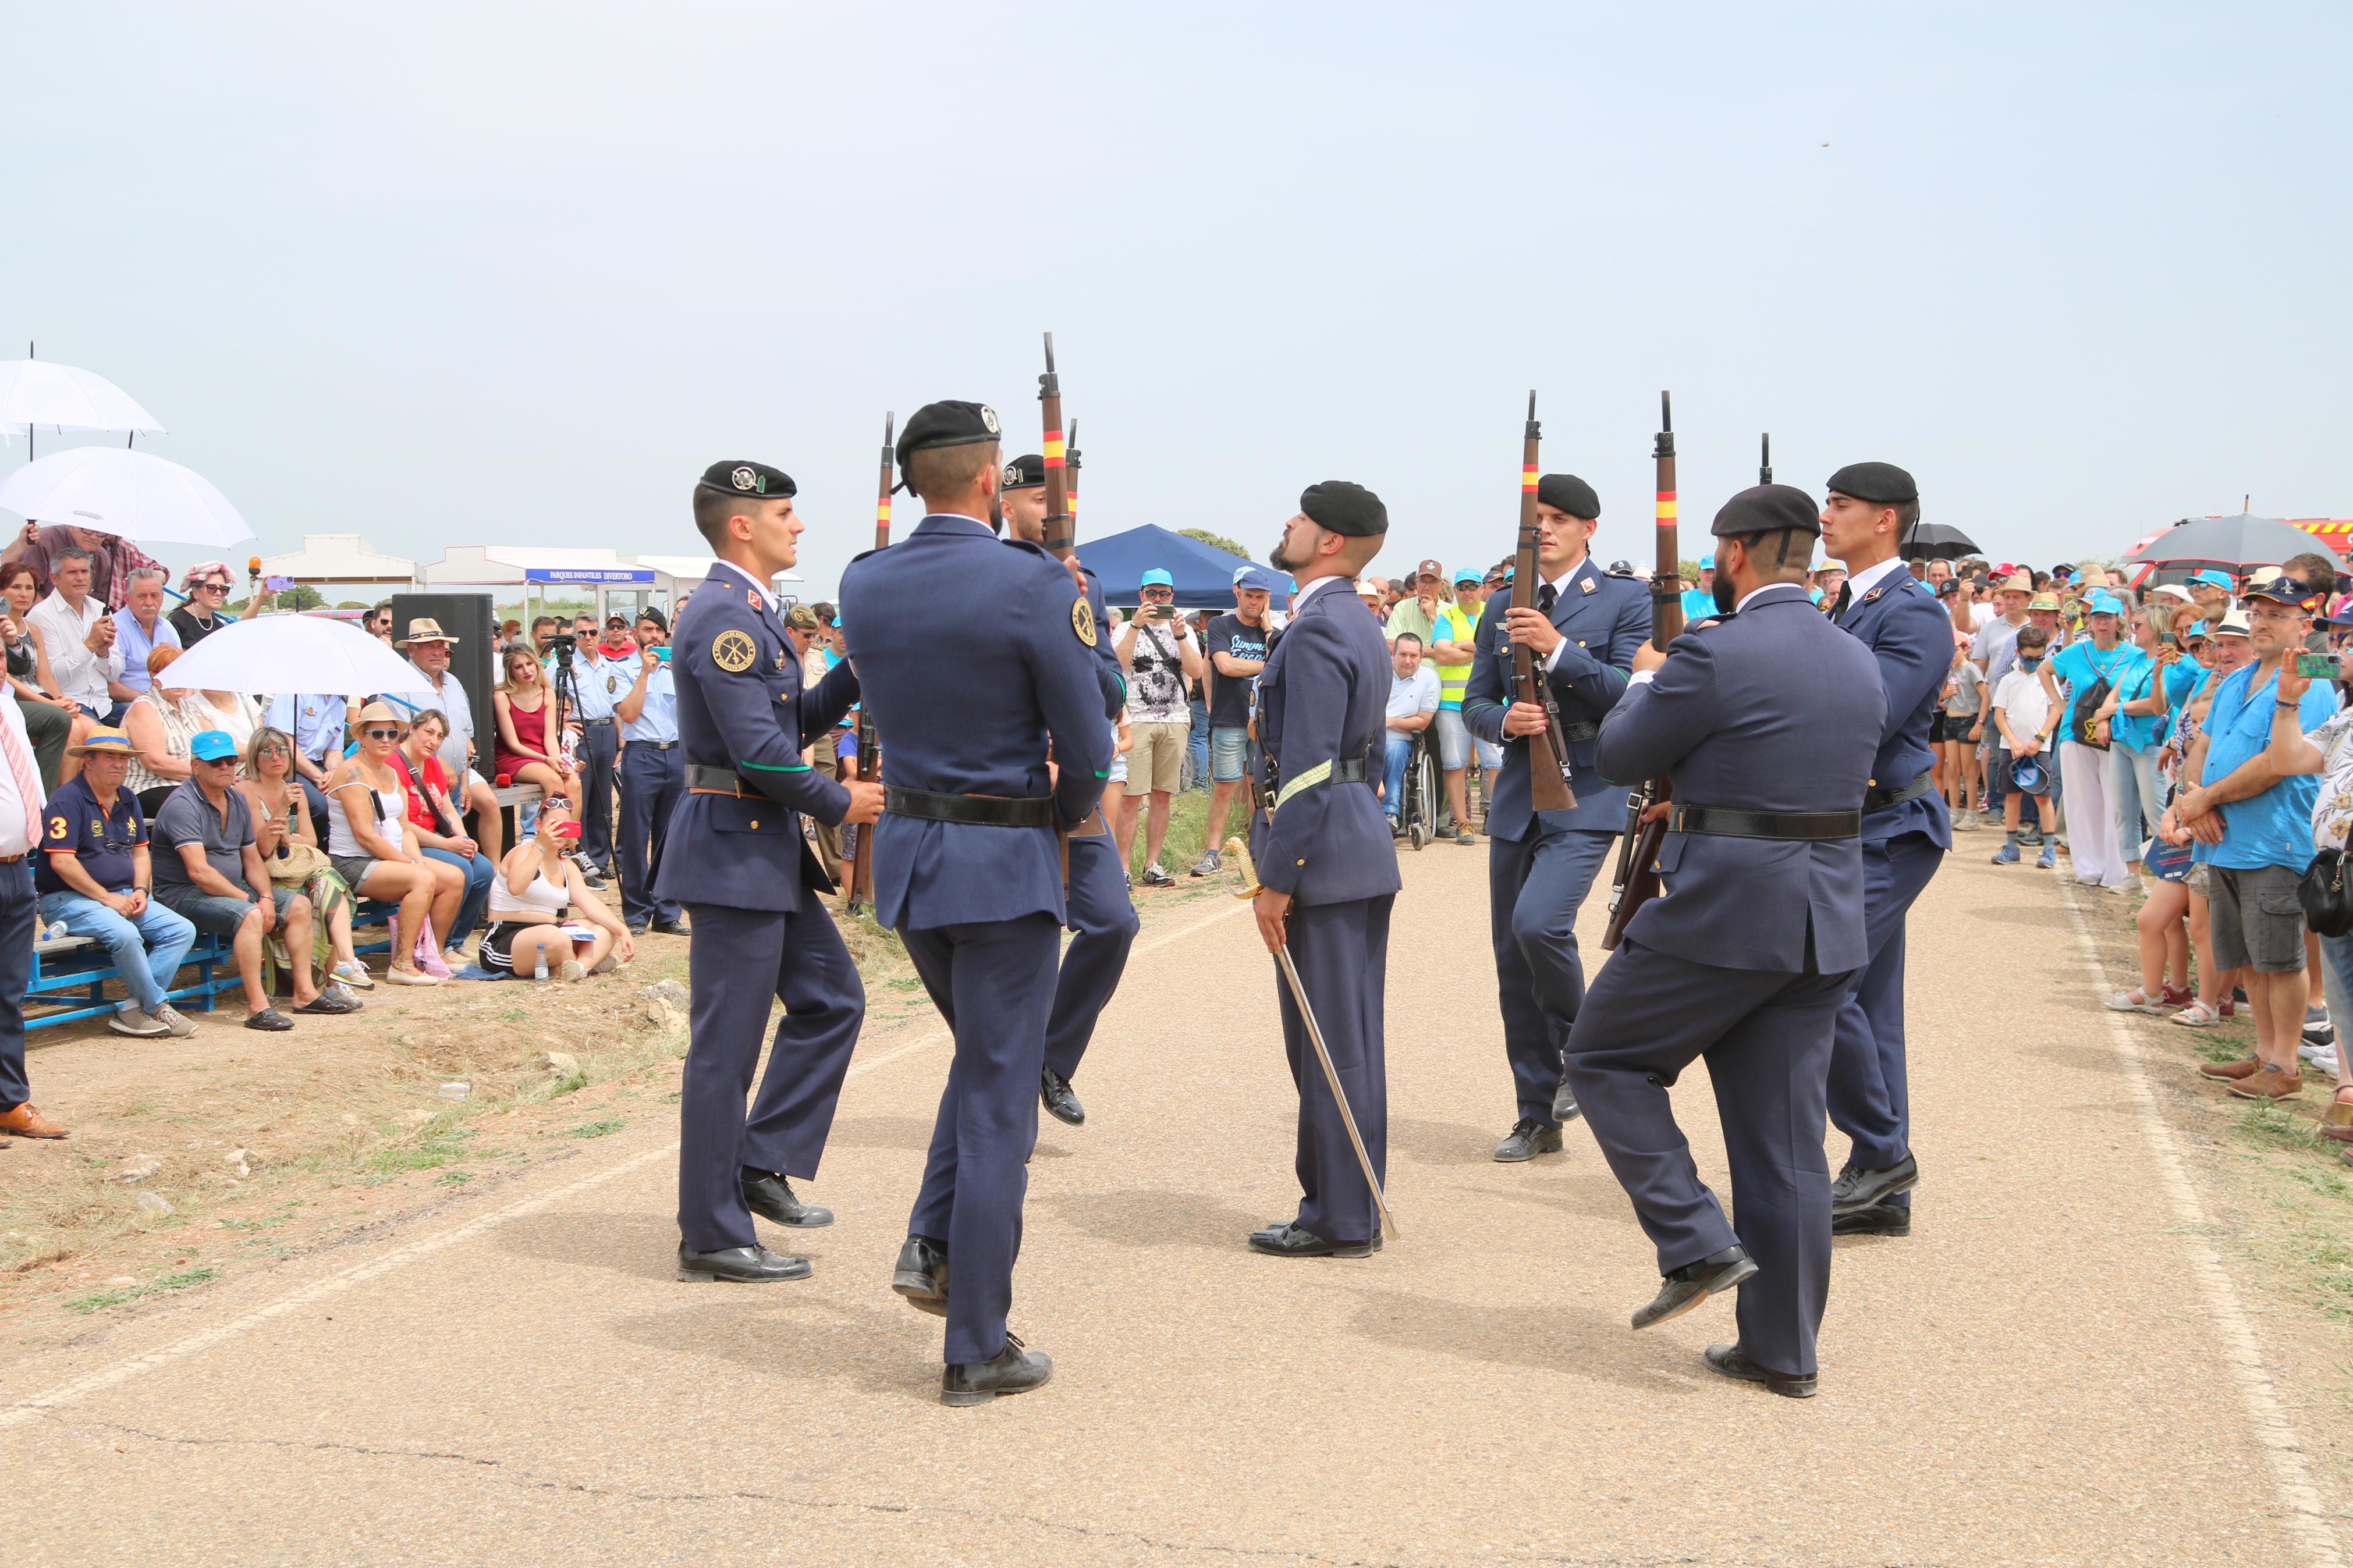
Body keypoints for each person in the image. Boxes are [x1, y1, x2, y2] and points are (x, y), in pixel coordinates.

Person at [1564, 483, 1885, 1399]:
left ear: (1735, 554)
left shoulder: (1710, 652)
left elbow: (1622, 754)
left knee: (1603, 1055)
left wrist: (1642, 673)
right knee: (1784, 1143)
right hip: (1823, 912)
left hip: (1726, 909)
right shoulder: (1851, 656)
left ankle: (1694, 1241)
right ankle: (1783, 1349)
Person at [840, 403, 1108, 1405]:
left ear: (913, 482)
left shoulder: (865, 583)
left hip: (912, 861)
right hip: (1004, 861)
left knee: (982, 1064)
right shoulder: (1029, 583)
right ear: (992, 478)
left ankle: (934, 1244)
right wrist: (1069, 814)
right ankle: (975, 1343)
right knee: (1001, 1100)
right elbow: (1084, 742)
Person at [665, 458, 879, 1288]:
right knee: (724, 1050)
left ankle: (760, 1160)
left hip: (763, 851)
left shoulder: (754, 612)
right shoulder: (722, 614)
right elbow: (758, 752)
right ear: (741, 524)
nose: (798, 525)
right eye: (785, 512)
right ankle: (711, 1230)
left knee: (833, 1001)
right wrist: (839, 800)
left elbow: (790, 719)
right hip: (731, 848)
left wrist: (858, 666)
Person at [1460, 472, 1648, 1160]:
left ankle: (1583, 1047)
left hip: (1589, 792)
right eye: (1535, 517)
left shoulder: (1625, 599)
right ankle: (1535, 1114)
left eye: (1559, 518)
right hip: (1518, 797)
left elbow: (1633, 692)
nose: (1544, 527)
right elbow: (1472, 702)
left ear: (1588, 529)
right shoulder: (1500, 604)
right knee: (1514, 960)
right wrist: (1503, 720)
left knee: (1539, 924)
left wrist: (1557, 649)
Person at [1245, 480, 1401, 1258]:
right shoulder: (1355, 619)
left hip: (1323, 855)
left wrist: (1277, 877)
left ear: (1329, 540)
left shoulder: (1315, 630)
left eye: (1300, 518)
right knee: (1348, 1038)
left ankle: (1338, 1214)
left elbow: (1304, 769)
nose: (1288, 523)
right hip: (1354, 842)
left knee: (1326, 1042)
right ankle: (1347, 1204)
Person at [1817, 463, 1953, 1239]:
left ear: (1884, 518)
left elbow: (1865, 708)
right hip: (1849, 826)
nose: (1824, 515)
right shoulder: (1843, 605)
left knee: (1819, 977)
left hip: (1889, 828)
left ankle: (1879, 1153)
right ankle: (1882, 1188)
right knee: (1868, 1004)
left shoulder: (1912, 612)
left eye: (1840, 504)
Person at [995, 452, 1135, 1129]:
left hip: (1072, 782)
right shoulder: (987, 573)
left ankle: (1050, 1058)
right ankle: (999, 1086)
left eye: (1066, 501)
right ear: (1006, 502)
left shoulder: (1091, 584)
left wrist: (1077, 618)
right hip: (1004, 786)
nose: (1057, 511)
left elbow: (1109, 688)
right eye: (1041, 499)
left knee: (1113, 921)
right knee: (1015, 950)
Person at [2164, 575, 2338, 1100]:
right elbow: (2203, 744)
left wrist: (2205, 799)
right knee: (2245, 956)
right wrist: (2190, 798)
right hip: (2224, 837)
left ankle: (2285, 1064)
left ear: (2304, 626)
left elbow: (2276, 764)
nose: (2261, 622)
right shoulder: (2238, 678)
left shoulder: (2312, 673)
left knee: (2279, 959)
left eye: (2277, 614)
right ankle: (2265, 1053)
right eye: (2257, 612)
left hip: (2274, 839)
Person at [152, 731, 358, 1029]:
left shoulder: (234, 799)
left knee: (298, 905)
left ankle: (305, 993)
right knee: (251, 914)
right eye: (215, 762)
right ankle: (258, 1007)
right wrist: (250, 900)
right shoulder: (182, 805)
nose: (225, 766)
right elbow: (199, 872)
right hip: (184, 893)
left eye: (229, 760)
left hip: (231, 887)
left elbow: (251, 858)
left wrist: (266, 896)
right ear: (195, 766)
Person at [36, 728, 198, 1039]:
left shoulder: (127, 797)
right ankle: (157, 1005)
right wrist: (106, 899)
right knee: (124, 934)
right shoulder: (67, 801)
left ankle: (132, 1009)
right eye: (110, 757)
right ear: (88, 761)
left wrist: (140, 890)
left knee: (181, 930)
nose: (118, 765)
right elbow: (62, 862)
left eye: (123, 758)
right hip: (65, 899)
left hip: (123, 894)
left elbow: (140, 852)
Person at [2256, 647, 2353, 1155]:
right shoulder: (2345, 719)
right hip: (2338, 874)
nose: (2345, 653)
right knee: (2344, 999)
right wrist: (2287, 703)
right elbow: (2286, 759)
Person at [324, 702, 454, 986]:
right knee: (422, 879)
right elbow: (364, 835)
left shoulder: (391, 772)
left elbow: (405, 826)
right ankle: (402, 963)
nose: (386, 740)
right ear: (361, 737)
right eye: (377, 734)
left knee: (452, 878)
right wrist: (408, 864)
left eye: (392, 734)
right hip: (352, 861)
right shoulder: (352, 772)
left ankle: (430, 953)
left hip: (386, 855)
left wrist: (415, 859)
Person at [238, 725, 371, 995]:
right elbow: (262, 848)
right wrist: (282, 809)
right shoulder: (245, 792)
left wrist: (288, 836)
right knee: (326, 888)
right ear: (255, 759)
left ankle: (343, 966)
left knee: (327, 883)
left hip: (298, 869)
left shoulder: (295, 790)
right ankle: (338, 975)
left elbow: (310, 841)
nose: (277, 757)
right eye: (268, 752)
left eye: (282, 750)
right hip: (266, 873)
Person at [2047, 589, 2144, 891]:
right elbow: (2045, 670)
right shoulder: (2077, 651)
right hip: (2074, 734)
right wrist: (2059, 704)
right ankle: (2089, 867)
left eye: (2108, 618)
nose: (2102, 624)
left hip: (2115, 735)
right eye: (2097, 618)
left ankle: (2117, 870)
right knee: (2082, 801)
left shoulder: (2134, 655)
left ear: (2119, 622)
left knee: (2115, 801)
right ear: (2089, 622)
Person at [1113, 567, 1203, 887]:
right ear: (1140, 596)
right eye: (1151, 594)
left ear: (1173, 597)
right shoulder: (1124, 628)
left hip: (1175, 720)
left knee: (1163, 795)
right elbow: (1116, 665)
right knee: (1131, 796)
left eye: (1164, 594)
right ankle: (1121, 867)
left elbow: (1197, 670)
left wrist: (1180, 634)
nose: (1158, 600)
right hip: (1136, 720)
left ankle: (1152, 863)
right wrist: (1136, 625)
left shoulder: (1185, 631)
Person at [1384, 559, 1483, 842]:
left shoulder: (1450, 613)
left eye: (1432, 582)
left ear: (1441, 586)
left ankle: (1440, 819)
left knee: (1442, 757)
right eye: (1422, 581)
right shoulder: (1402, 608)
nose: (1426, 587)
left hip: (1439, 690)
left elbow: (1466, 649)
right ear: (1415, 583)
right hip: (1405, 688)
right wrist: (1434, 651)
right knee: (1397, 749)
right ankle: (1398, 814)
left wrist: (1432, 620)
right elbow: (1394, 646)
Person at [479, 798, 630, 979]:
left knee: (605, 929)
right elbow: (516, 887)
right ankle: (588, 961)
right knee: (556, 938)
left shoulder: (567, 865)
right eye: (554, 825)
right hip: (507, 936)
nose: (560, 831)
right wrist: (541, 846)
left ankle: (579, 967)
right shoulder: (523, 852)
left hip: (551, 931)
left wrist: (622, 930)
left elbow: (589, 902)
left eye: (566, 826)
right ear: (538, 825)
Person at [396, 618, 504, 869]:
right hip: (421, 783)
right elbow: (401, 736)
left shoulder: (453, 683)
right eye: (428, 646)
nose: (437, 652)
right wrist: (439, 763)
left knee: (464, 853)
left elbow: (464, 736)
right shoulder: (400, 685)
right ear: (411, 649)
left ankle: (494, 878)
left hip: (455, 779)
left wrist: (465, 780)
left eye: (442, 646)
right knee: (452, 860)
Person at [393, 709, 496, 963]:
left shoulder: (433, 763)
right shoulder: (395, 763)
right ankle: (439, 945)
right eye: (429, 732)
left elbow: (448, 808)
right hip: (407, 841)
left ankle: (456, 941)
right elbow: (401, 823)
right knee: (462, 868)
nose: (434, 741)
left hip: (434, 835)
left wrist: (464, 840)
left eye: (440, 737)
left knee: (483, 868)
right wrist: (448, 844)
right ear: (413, 729)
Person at [1192, 566, 1275, 877]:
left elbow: (1280, 666)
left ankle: (1257, 850)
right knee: (1224, 786)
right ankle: (1213, 852)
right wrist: (1266, 664)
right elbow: (1224, 665)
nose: (1254, 602)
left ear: (1267, 598)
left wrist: (1268, 631)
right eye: (1249, 595)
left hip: (1263, 719)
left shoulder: (1274, 633)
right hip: (1229, 717)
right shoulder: (1220, 625)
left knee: (1260, 787)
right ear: (1238, 593)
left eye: (1260, 597)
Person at [614, 609, 686, 936]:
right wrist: (644, 673)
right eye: (648, 630)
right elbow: (628, 714)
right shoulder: (624, 670)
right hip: (642, 754)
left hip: (675, 753)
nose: (654, 636)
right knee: (635, 836)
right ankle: (638, 911)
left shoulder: (677, 669)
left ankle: (668, 912)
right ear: (636, 634)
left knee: (670, 837)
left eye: (659, 630)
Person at [0, 561, 90, 791]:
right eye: (15, 587)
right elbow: (8, 677)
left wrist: (63, 700)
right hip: (18, 698)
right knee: (69, 725)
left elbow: (45, 677)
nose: (23, 594)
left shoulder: (33, 629)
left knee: (95, 730)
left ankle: (79, 803)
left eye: (29, 588)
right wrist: (52, 705)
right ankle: (56, 798)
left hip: (43, 697)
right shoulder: (2, 626)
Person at [566, 617, 634, 890]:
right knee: (581, 798)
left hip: (607, 730)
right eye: (581, 633)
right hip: (582, 731)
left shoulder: (608, 666)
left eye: (592, 632)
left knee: (603, 798)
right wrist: (562, 723)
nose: (587, 637)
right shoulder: (567, 666)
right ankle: (581, 858)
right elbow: (548, 697)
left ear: (600, 634)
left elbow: (616, 706)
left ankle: (601, 857)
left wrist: (621, 743)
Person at [27, 546, 126, 725]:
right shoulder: (42, 615)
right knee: (107, 740)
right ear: (54, 578)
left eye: (84, 571)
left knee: (154, 724)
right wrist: (90, 645)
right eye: (72, 572)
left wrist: (103, 654)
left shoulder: (100, 610)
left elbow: (115, 675)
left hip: (104, 705)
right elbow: (54, 677)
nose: (80, 578)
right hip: (71, 704)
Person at [1989, 625, 2061, 866]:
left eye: (2039, 658)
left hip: (2038, 748)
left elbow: (2056, 710)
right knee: (2012, 796)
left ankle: (2049, 848)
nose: (2034, 663)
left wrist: (2039, 738)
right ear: (2018, 653)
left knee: (2043, 797)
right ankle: (2010, 846)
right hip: (2011, 748)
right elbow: (1999, 714)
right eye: (2029, 658)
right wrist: (2012, 741)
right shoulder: (2008, 680)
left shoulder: (2048, 679)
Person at [491, 644, 582, 816]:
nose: (526, 670)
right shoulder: (502, 696)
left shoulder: (547, 693)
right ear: (510, 672)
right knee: (553, 780)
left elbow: (550, 737)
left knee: (573, 781)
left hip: (543, 755)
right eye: (519, 667)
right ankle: (556, 835)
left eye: (529, 663)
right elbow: (513, 744)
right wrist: (547, 759)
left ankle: (571, 839)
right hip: (514, 757)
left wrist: (558, 759)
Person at [1381, 632, 1439, 829]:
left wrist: (1388, 722)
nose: (1408, 661)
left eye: (1413, 656)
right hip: (1369, 736)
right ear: (1393, 654)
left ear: (1422, 657)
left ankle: (1390, 811)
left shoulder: (1429, 678)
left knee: (1394, 751)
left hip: (1401, 739)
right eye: (1403, 655)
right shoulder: (1379, 672)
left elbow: (1422, 722)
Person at [109, 569, 182, 699]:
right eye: (142, 596)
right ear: (128, 599)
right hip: (130, 705)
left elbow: (181, 673)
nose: (149, 603)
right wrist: (152, 703)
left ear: (162, 598)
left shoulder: (168, 628)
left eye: (154, 596)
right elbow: (111, 687)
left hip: (169, 702)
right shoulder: (115, 627)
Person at [1939, 642, 1985, 826]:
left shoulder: (1972, 669)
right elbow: (1941, 700)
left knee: (1968, 771)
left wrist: (1979, 723)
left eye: (1956, 650)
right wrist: (1945, 694)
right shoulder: (1951, 672)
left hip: (1967, 721)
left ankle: (1972, 814)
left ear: (1965, 650)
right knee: (1952, 769)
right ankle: (1954, 811)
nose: (1953, 654)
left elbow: (1985, 695)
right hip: (1950, 721)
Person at [1678, 555, 1717, 623]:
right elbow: (1681, 624)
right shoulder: (1685, 597)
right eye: (1707, 571)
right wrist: (1714, 623)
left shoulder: (1726, 598)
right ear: (1699, 573)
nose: (1711, 576)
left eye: (1714, 572)